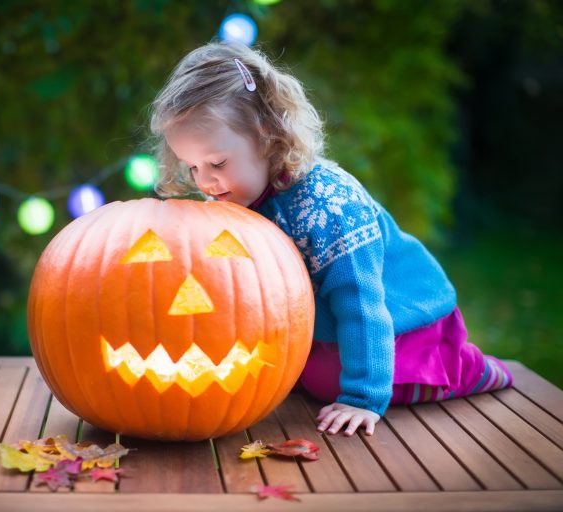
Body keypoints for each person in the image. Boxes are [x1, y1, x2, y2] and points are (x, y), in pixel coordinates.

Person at [148, 41, 513, 437]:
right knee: (301, 375)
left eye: (217, 163)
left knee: (325, 382)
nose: (205, 182)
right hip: (327, 328)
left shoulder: (327, 208)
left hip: (401, 322)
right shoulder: (238, 194)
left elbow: (362, 304)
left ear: (266, 132)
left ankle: (470, 369)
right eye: (193, 167)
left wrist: (362, 398)